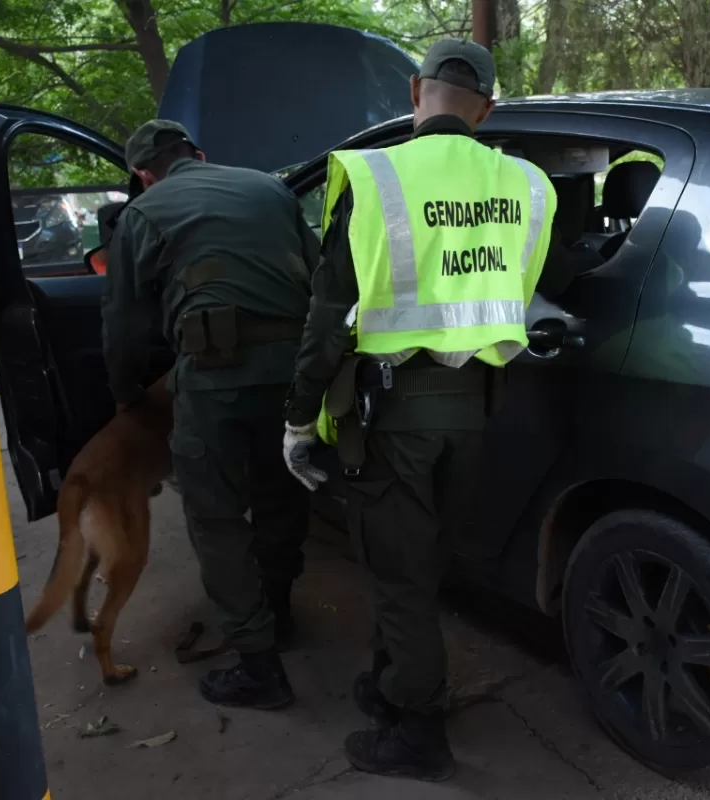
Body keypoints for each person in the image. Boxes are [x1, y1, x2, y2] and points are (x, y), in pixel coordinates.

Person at [281, 39, 573, 781]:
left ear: (416, 91)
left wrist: (299, 417)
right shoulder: (528, 185)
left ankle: (417, 733)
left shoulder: (374, 175)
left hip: (394, 416)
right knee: (426, 561)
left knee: (400, 573)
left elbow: (327, 320)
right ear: (488, 109)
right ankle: (392, 683)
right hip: (476, 409)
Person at [103, 119, 318, 710]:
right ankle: (279, 614)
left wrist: (125, 395)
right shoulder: (271, 188)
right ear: (199, 154)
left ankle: (259, 666)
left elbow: (123, 325)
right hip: (294, 371)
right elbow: (321, 275)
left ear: (144, 175)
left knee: (217, 517)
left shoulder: (142, 214)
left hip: (213, 379)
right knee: (282, 496)